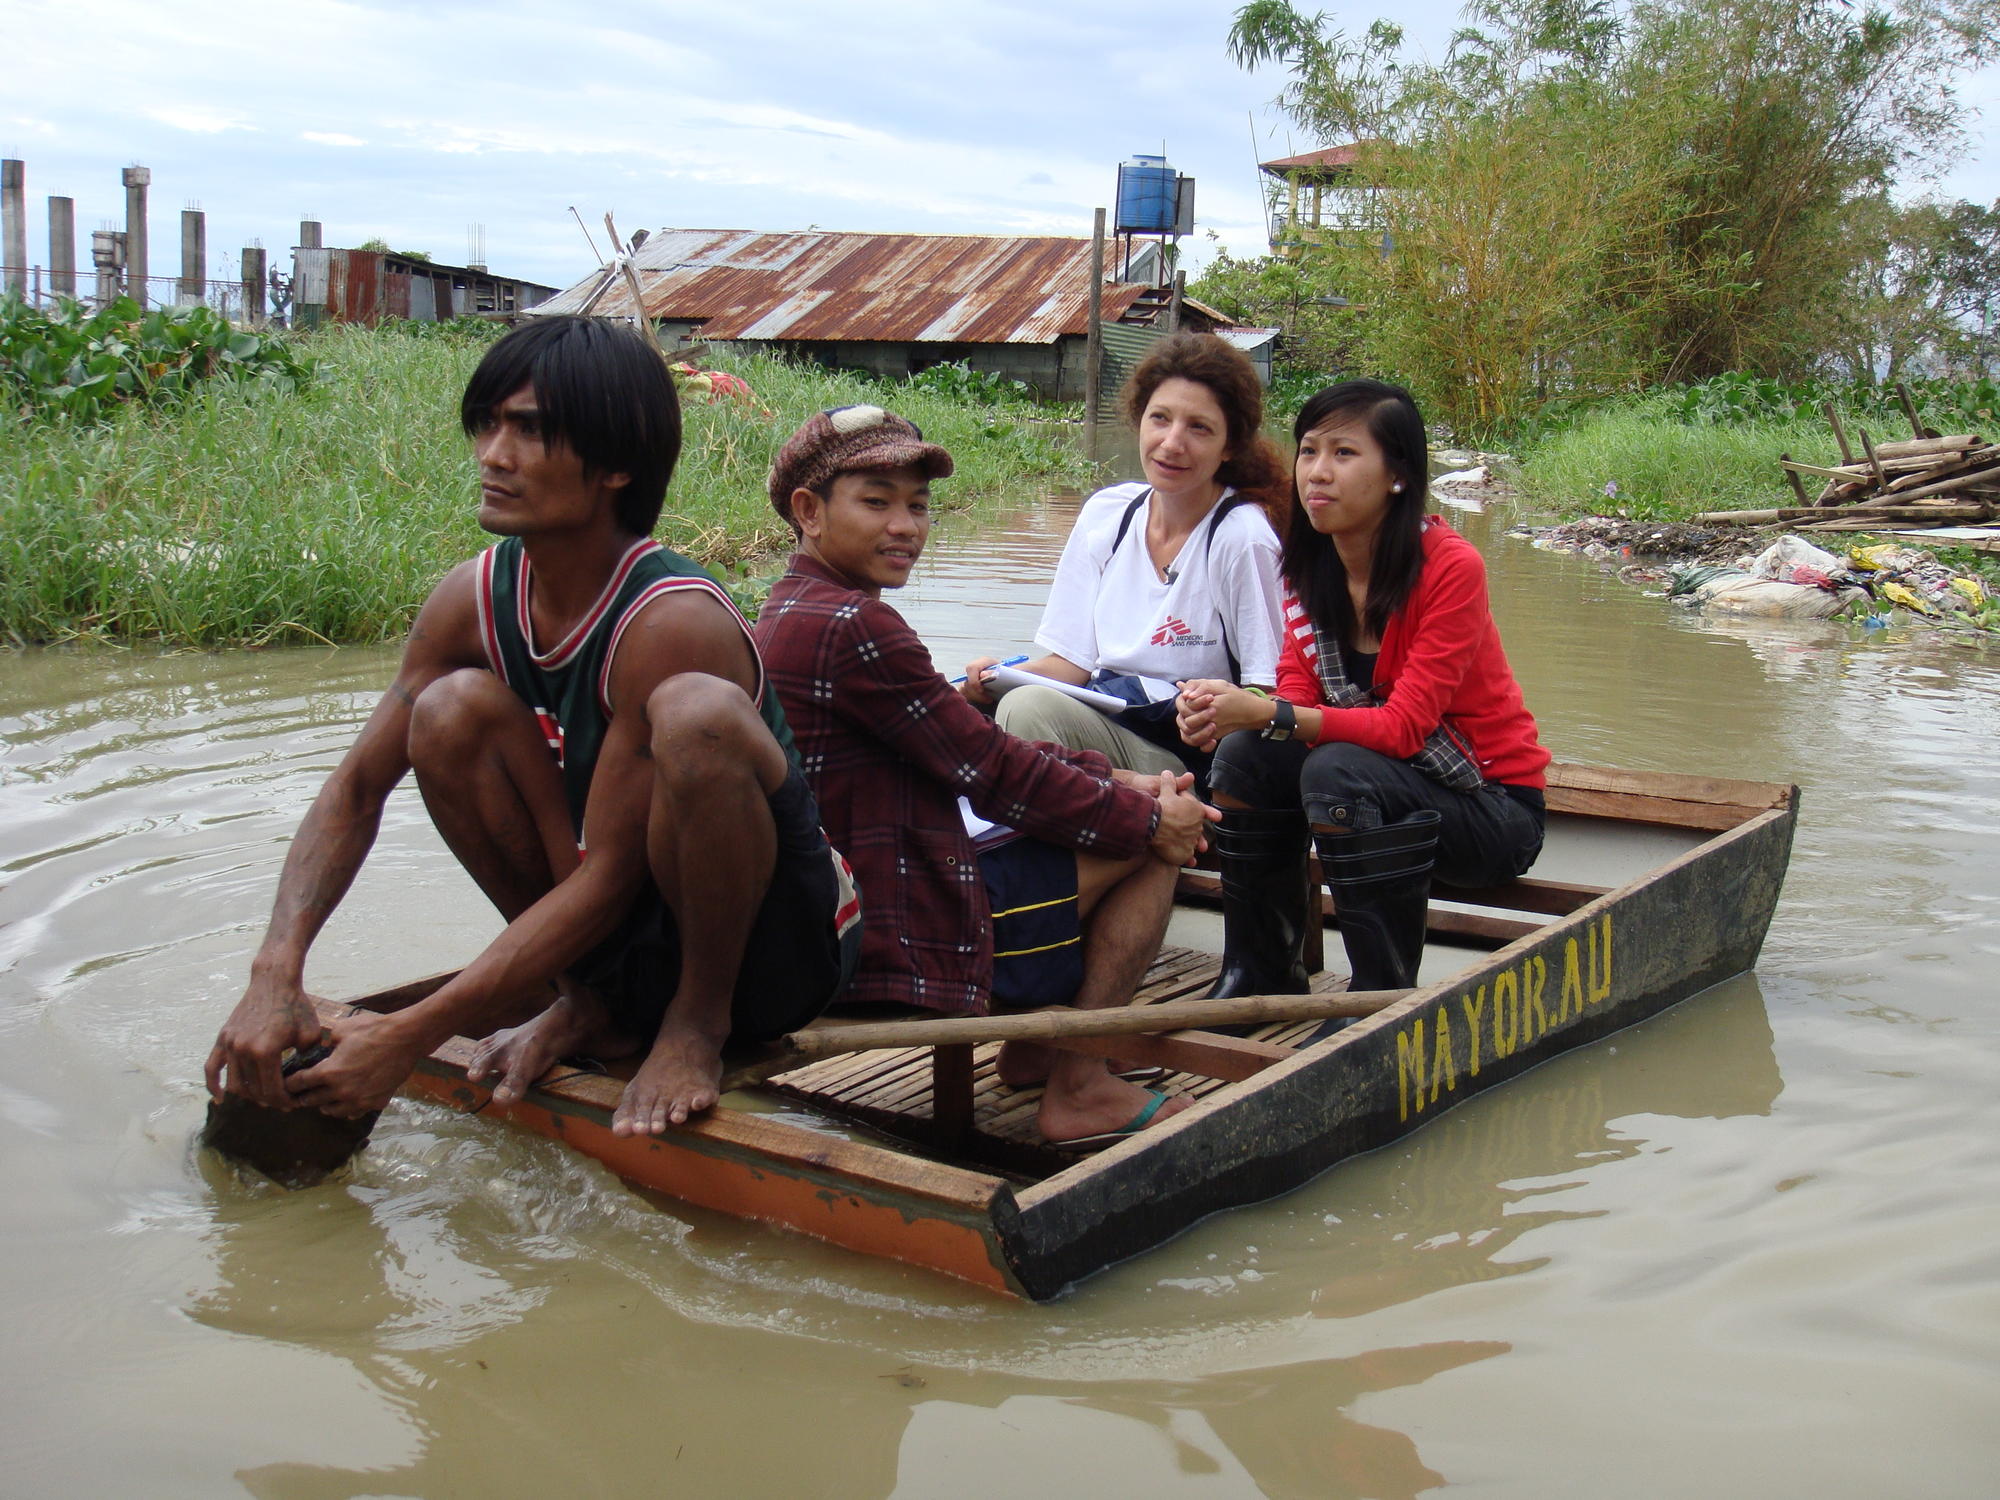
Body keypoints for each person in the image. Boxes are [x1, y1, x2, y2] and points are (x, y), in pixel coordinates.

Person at [205, 316, 860, 1137]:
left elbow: (613, 875)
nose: (493, 454)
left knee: (698, 717)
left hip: (770, 947)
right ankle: (587, 1001)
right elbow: (357, 786)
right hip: (615, 926)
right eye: (489, 424)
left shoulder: (670, 620)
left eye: (529, 431)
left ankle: (693, 1024)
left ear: (616, 466)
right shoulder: (472, 598)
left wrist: (411, 1033)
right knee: (447, 713)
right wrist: (276, 972)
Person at [754, 405, 1219, 1148]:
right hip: (888, 932)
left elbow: (963, 740)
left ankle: (1038, 1047)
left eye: (917, 505)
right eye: (876, 502)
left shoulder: (790, 608)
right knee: (1148, 851)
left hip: (834, 908)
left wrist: (1118, 782)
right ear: (808, 512)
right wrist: (1152, 819)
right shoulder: (856, 627)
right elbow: (993, 773)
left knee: (1115, 809)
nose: (905, 526)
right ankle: (1078, 1084)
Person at [1176, 379, 1548, 1010]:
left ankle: (1377, 999)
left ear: (1397, 474)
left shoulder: (1450, 567)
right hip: (1386, 787)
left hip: (1487, 809)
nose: (1317, 473)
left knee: (1336, 767)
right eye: (1309, 451)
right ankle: (1261, 972)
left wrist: (1269, 709)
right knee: (1244, 753)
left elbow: (1403, 728)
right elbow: (1296, 693)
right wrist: (1223, 712)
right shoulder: (1308, 564)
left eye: (1344, 454)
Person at [959, 333, 1288, 784]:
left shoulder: (1240, 537)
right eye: (1160, 419)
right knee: (967, 710)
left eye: (1199, 428)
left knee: (1026, 711)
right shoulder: (1108, 514)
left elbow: (1270, 690)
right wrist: (987, 681)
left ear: (1229, 445)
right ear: (1139, 421)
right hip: (1104, 721)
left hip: (1188, 759)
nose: (1172, 443)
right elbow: (1070, 666)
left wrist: (1212, 704)